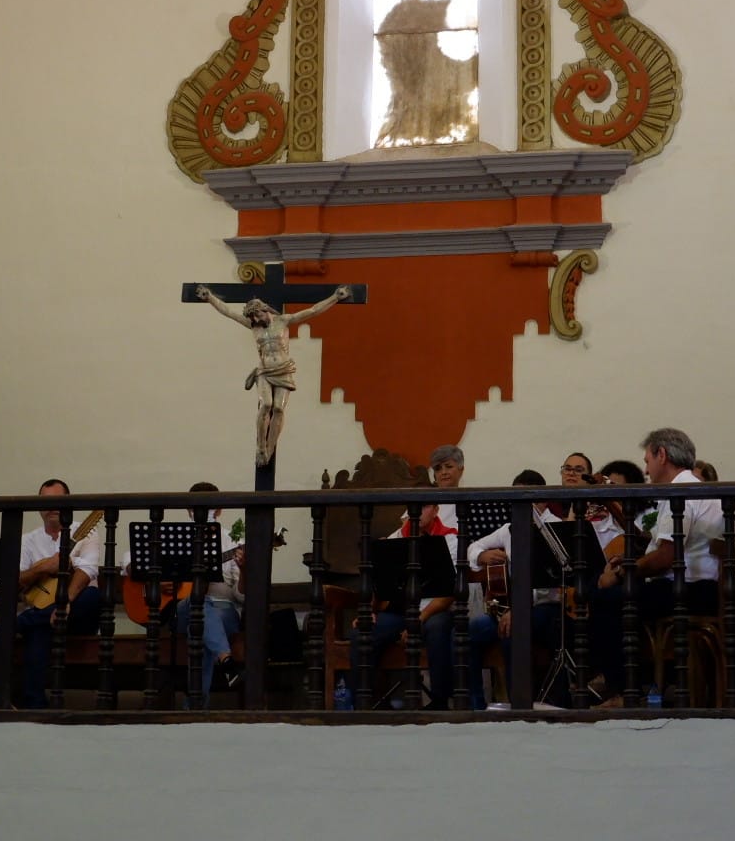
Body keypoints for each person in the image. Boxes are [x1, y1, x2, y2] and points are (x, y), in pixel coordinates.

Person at [586, 428, 723, 701]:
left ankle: (622, 689)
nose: (646, 469)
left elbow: (666, 557)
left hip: (689, 590)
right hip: (703, 587)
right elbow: (659, 545)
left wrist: (620, 573)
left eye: (647, 460)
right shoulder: (691, 487)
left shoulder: (680, 493)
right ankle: (639, 683)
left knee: (606, 599)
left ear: (662, 455)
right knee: (625, 598)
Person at [347, 445, 463, 707]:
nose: (416, 512)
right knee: (362, 632)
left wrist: (417, 622)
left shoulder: (450, 538)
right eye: (412, 506)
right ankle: (366, 703)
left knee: (437, 627)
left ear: (435, 510)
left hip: (431, 612)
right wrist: (369, 609)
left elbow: (446, 596)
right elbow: (377, 580)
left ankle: (440, 702)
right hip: (398, 611)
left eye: (423, 507)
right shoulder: (396, 538)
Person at [193, 283, 350, 465]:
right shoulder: (254, 326)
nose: (256, 319)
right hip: (264, 370)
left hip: (283, 369)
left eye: (257, 314)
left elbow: (313, 311)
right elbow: (229, 312)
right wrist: (210, 298)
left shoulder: (283, 320)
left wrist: (335, 297)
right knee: (266, 404)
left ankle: (269, 448)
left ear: (264, 309)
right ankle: (260, 446)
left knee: (279, 408)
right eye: (252, 317)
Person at [466, 469, 566, 708]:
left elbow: (550, 583)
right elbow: (473, 547)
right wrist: (483, 555)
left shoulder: (556, 528)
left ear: (541, 501)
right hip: (511, 609)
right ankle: (474, 705)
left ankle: (519, 704)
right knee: (468, 632)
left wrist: (518, 610)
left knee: (513, 631)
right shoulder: (509, 529)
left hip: (546, 609)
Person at [14, 478, 104, 708]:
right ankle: (35, 706)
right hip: (47, 619)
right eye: (46, 501)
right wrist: (43, 567)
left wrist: (64, 603)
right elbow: (16, 580)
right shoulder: (28, 541)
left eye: (57, 500)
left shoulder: (85, 532)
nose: (52, 506)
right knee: (40, 630)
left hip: (76, 613)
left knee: (93, 596)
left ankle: (22, 622)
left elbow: (88, 570)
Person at [174, 482, 244, 700]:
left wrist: (245, 570)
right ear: (188, 510)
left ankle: (194, 708)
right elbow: (130, 559)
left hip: (224, 609)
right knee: (196, 605)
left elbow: (240, 597)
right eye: (195, 507)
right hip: (183, 609)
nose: (201, 512)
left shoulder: (233, 541)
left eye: (209, 506)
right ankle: (226, 659)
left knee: (201, 622)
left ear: (220, 510)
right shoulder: (176, 537)